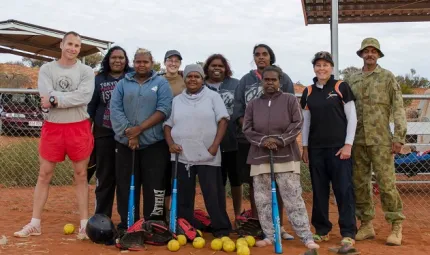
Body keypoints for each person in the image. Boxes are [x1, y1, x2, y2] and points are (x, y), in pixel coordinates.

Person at [14, 31, 95, 239]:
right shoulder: (47, 69)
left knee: (81, 175)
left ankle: (85, 225)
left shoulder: (86, 71)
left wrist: (56, 100)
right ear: (61, 44)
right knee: (44, 174)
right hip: (53, 127)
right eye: (70, 44)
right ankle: (35, 223)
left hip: (78, 127)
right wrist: (61, 97)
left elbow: (84, 96)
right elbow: (44, 95)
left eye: (77, 46)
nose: (73, 49)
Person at [242, 65, 319, 250]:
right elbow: (247, 129)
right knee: (263, 200)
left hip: (286, 156)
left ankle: (305, 236)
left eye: (273, 80)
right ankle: (270, 235)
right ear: (262, 82)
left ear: (280, 81)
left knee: (293, 198)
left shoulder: (290, 100)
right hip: (260, 157)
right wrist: (263, 141)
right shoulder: (253, 104)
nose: (269, 83)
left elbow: (297, 123)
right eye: (266, 80)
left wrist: (279, 140)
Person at [348, 38, 407, 246]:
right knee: (360, 183)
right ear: (361, 54)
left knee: (387, 183)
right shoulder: (352, 79)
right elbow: (344, 109)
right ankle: (366, 224)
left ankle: (396, 225)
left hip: (382, 140)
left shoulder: (388, 77)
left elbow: (398, 108)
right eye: (366, 51)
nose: (370, 54)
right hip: (357, 140)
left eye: (374, 51)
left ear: (378, 55)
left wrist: (399, 137)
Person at [232, 43, 294, 239]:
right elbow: (239, 110)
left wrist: (278, 138)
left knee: (279, 183)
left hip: (278, 143)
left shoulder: (284, 79)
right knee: (256, 185)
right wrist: (253, 133)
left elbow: (292, 110)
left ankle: (279, 226)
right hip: (250, 142)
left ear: (270, 57)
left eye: (264, 54)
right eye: (257, 54)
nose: (261, 57)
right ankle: (260, 225)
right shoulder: (245, 80)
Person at [163, 64, 232, 237]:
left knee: (213, 193)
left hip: (208, 154)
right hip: (182, 155)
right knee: (184, 194)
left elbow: (223, 120)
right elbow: (167, 125)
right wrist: (171, 143)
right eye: (189, 76)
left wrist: (215, 145)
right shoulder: (177, 100)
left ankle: (221, 228)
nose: (193, 79)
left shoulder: (212, 97)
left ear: (202, 79)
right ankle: (185, 227)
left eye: (197, 76)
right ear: (184, 79)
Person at [110, 48, 173, 233]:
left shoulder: (161, 83)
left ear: (151, 62)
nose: (141, 65)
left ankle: (153, 224)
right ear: (133, 63)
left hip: (154, 144)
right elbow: (116, 110)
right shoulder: (123, 84)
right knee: (125, 184)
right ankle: (128, 224)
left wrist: (139, 130)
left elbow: (164, 110)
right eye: (138, 62)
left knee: (155, 185)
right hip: (125, 144)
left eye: (145, 62)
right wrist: (130, 134)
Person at [301, 51, 358, 252]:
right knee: (319, 191)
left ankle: (348, 233)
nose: (322, 68)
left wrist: (348, 145)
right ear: (314, 68)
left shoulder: (340, 87)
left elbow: (352, 118)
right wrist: (305, 146)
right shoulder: (308, 91)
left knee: (343, 191)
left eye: (325, 65)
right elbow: (306, 122)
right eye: (318, 65)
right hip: (316, 150)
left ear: (331, 68)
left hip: (339, 150)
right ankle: (322, 229)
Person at [87, 46, 131, 218]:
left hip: (126, 135)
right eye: (114, 57)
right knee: (104, 177)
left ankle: (126, 219)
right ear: (108, 59)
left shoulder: (131, 77)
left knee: (124, 177)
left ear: (126, 60)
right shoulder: (99, 79)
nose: (117, 61)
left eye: (121, 57)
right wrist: (87, 134)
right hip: (103, 133)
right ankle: (101, 217)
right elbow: (91, 107)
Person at [203, 54, 242, 224]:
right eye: (213, 65)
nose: (217, 68)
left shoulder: (235, 84)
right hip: (209, 142)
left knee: (235, 180)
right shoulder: (201, 86)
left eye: (220, 65)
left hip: (233, 140)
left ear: (226, 68)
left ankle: (237, 216)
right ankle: (219, 216)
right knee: (216, 182)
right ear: (207, 68)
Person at [162, 49, 186, 219]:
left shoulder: (184, 81)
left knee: (176, 173)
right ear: (165, 62)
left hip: (179, 132)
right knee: (162, 174)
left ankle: (177, 212)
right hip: (159, 132)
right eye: (170, 60)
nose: (173, 63)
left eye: (176, 61)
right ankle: (164, 211)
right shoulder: (157, 80)